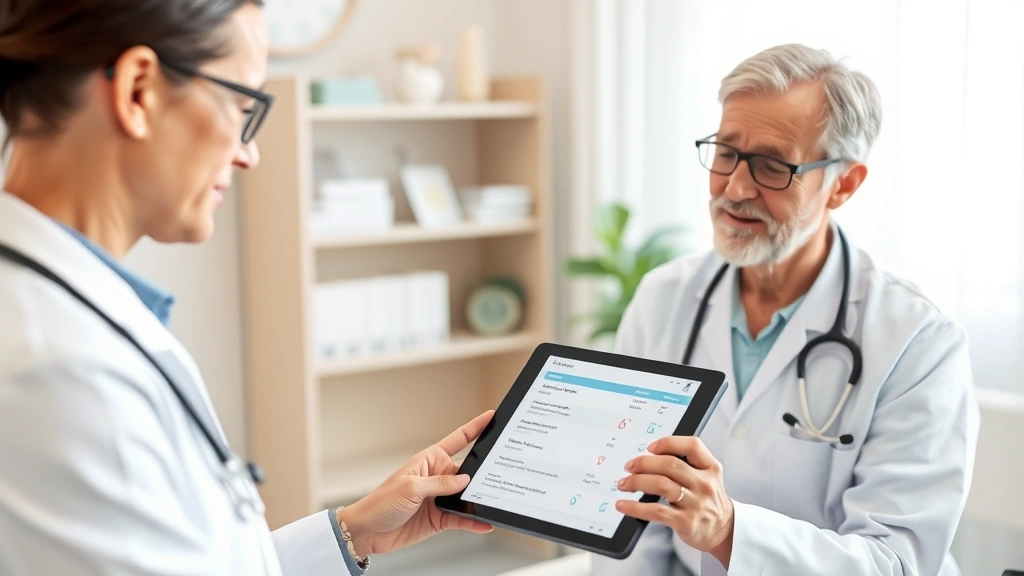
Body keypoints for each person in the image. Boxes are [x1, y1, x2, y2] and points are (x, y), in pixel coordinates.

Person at [0, 2, 493, 575]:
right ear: (138, 91)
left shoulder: (66, 318)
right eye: (241, 107)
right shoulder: (62, 373)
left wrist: (353, 533)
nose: (248, 154)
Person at [590, 44, 979, 576]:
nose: (735, 187)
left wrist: (729, 534)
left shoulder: (918, 338)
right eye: (726, 152)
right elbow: (633, 514)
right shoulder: (664, 299)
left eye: (773, 166)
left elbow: (897, 562)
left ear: (843, 183)